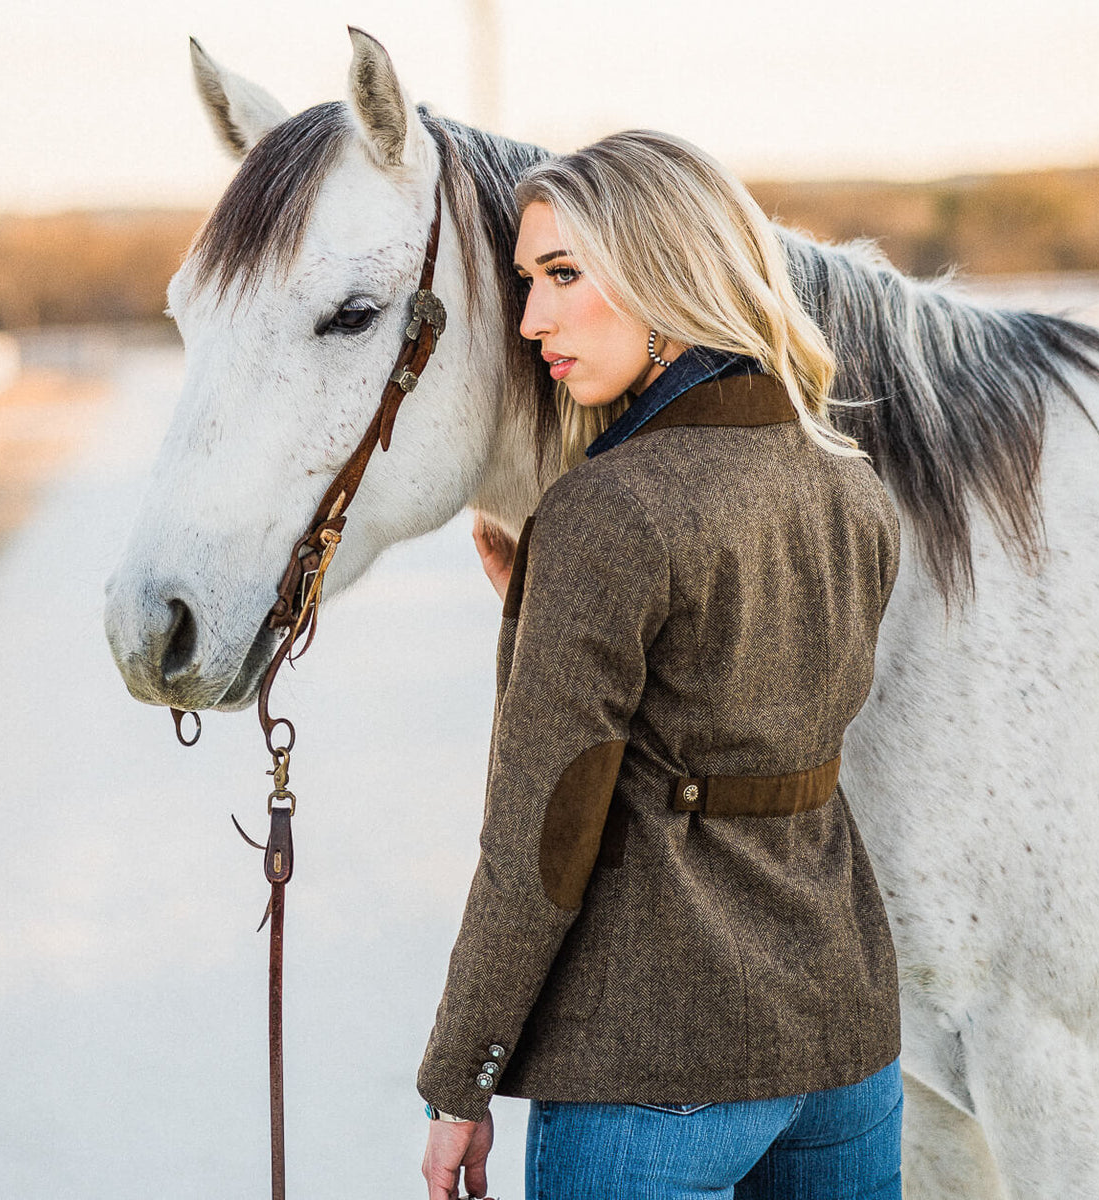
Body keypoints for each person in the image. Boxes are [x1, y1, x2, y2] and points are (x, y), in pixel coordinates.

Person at [417, 129, 904, 1200]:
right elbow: (741, 701)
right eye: (525, 283)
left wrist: (461, 1081)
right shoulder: (851, 484)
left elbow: (541, 839)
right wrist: (551, 610)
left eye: (562, 276)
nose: (534, 319)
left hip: (655, 1065)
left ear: (667, 271)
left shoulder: (604, 512)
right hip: (844, 1042)